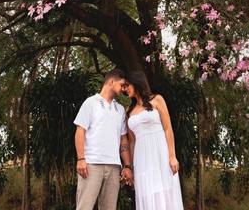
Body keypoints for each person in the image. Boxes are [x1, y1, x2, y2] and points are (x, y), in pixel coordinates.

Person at [73, 69, 134, 210]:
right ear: (111, 82)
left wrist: (128, 166)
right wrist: (81, 159)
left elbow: (123, 140)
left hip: (114, 166)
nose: (124, 89)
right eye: (122, 85)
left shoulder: (120, 109)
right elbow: (80, 131)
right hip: (91, 164)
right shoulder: (90, 103)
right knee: (84, 207)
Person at [124, 70, 183, 210]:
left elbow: (168, 128)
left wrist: (172, 156)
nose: (125, 89)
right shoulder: (129, 111)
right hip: (141, 158)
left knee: (164, 190)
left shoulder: (157, 99)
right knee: (147, 192)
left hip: (160, 153)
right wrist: (131, 167)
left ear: (136, 82)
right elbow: (132, 141)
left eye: (127, 85)